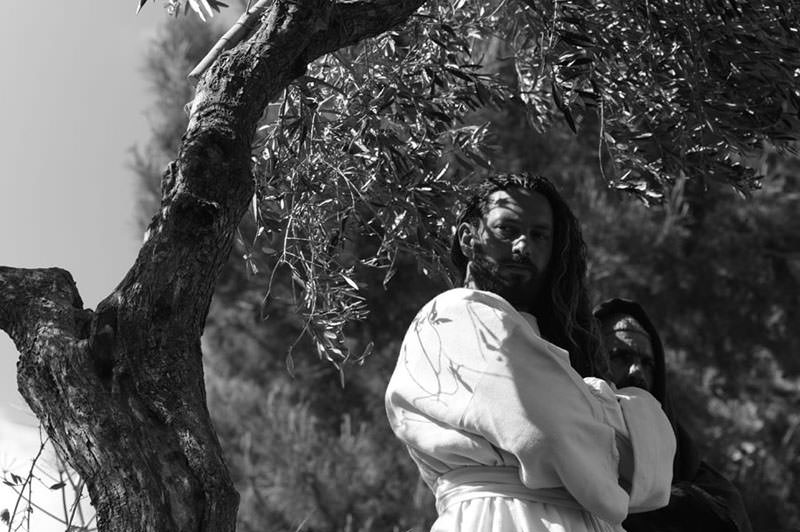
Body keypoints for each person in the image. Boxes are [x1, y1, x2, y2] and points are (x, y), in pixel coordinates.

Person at [385, 173, 677, 532]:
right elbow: (547, 434)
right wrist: (615, 415)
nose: (523, 247)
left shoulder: (540, 340)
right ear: (468, 238)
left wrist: (588, 416)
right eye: (507, 230)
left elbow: (653, 470)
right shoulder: (456, 315)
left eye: (539, 236)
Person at [594, 298, 753, 532]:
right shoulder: (572, 432)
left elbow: (727, 514)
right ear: (595, 359)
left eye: (647, 363)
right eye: (621, 356)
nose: (637, 372)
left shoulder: (682, 457)